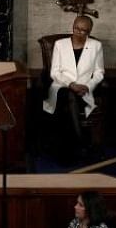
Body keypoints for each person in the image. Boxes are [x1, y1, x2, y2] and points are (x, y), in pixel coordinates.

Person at [43, 15, 105, 159]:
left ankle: (66, 150)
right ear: (73, 26)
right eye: (77, 28)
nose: (79, 32)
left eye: (84, 30)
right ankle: (81, 143)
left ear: (89, 31)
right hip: (62, 86)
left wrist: (88, 86)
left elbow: (99, 72)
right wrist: (71, 84)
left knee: (68, 103)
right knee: (68, 96)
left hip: (83, 90)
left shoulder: (96, 46)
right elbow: (55, 72)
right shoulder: (60, 44)